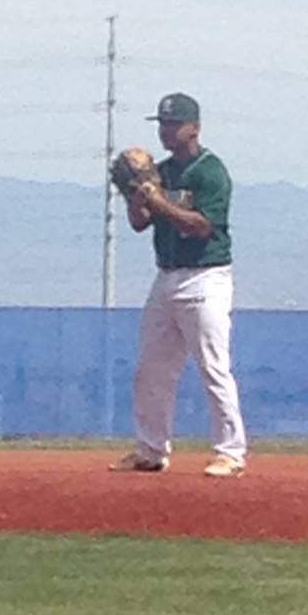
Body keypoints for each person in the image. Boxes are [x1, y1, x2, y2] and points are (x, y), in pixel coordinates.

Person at [110, 92, 247, 477]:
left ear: (195, 128)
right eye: (163, 124)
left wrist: (157, 200)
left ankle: (230, 453)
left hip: (206, 277)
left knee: (213, 367)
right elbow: (140, 224)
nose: (166, 131)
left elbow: (200, 226)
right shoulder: (164, 171)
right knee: (151, 370)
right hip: (166, 276)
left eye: (173, 124)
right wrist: (135, 195)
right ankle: (151, 450)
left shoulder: (210, 171)